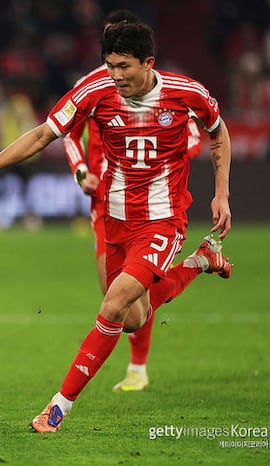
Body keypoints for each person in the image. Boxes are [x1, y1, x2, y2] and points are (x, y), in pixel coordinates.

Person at [0, 22, 232, 432]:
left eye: (124, 66)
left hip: (162, 220)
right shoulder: (94, 89)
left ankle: (58, 407)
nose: (116, 75)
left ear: (148, 63)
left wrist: (221, 193)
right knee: (133, 317)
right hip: (113, 220)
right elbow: (43, 135)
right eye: (110, 65)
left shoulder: (187, 93)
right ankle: (202, 261)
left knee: (113, 305)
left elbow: (218, 131)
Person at [63, 9, 206, 393]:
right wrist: (81, 171)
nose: (114, 67)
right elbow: (67, 133)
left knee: (123, 296)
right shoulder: (93, 87)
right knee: (124, 307)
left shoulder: (161, 91)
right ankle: (198, 262)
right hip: (104, 202)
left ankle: (137, 368)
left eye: (122, 57)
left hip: (150, 206)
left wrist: (160, 155)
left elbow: (195, 135)